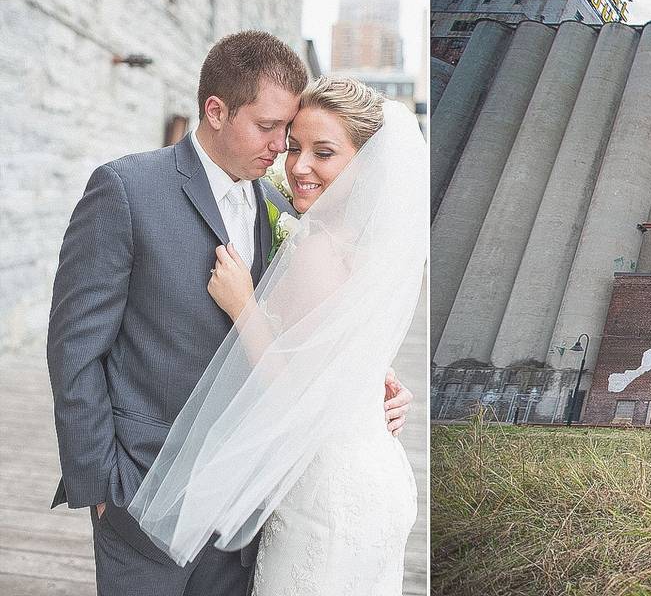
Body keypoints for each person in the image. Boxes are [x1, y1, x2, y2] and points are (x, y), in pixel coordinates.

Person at [47, 31, 412, 596]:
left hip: (250, 506)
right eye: (272, 132)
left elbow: (315, 334)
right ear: (215, 111)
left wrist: (368, 389)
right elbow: (75, 346)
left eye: (288, 136)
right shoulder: (127, 189)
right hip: (143, 493)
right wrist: (99, 482)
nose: (283, 153)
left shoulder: (283, 210)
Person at [128, 77, 426, 595]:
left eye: (324, 153)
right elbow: (343, 348)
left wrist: (244, 306)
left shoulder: (320, 247)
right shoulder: (374, 248)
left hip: (325, 486)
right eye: (294, 147)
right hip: (376, 472)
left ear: (366, 161)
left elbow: (293, 387)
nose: (299, 166)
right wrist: (378, 378)